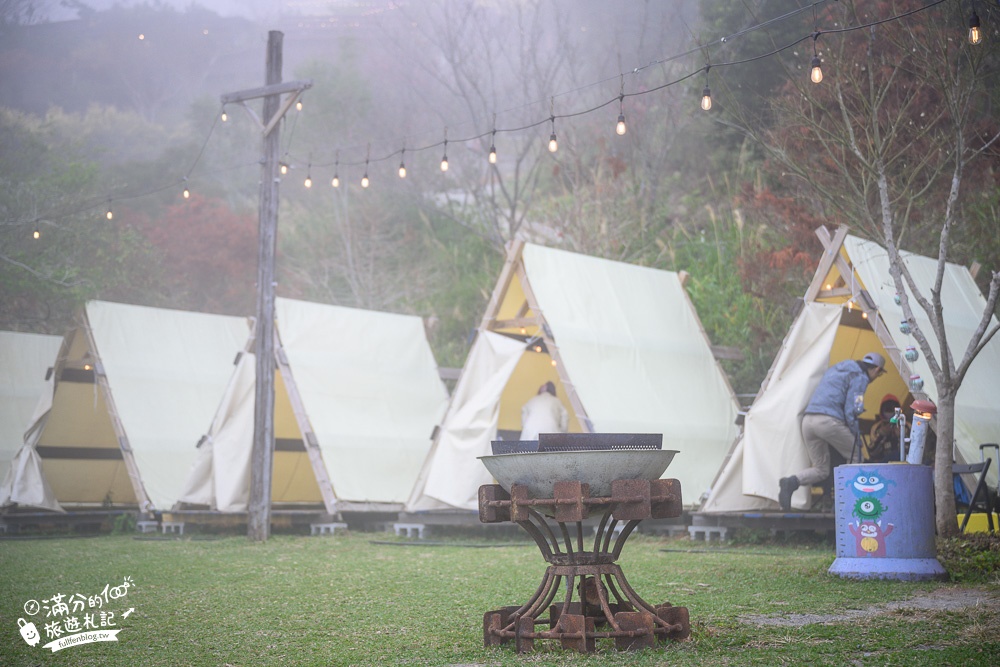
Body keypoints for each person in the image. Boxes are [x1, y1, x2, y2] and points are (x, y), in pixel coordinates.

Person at [778, 352, 886, 511]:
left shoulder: (838, 368)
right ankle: (846, 502)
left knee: (821, 469)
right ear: (877, 369)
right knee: (857, 456)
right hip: (828, 421)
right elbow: (852, 409)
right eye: (880, 374)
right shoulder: (861, 378)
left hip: (808, 421)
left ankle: (791, 482)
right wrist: (856, 433)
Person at [865, 393, 903, 463]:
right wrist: (881, 435)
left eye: (892, 409)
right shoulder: (876, 427)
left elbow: (913, 449)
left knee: (896, 455)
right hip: (882, 462)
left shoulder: (904, 425)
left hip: (902, 461)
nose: (889, 412)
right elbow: (872, 453)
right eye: (887, 409)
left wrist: (901, 436)